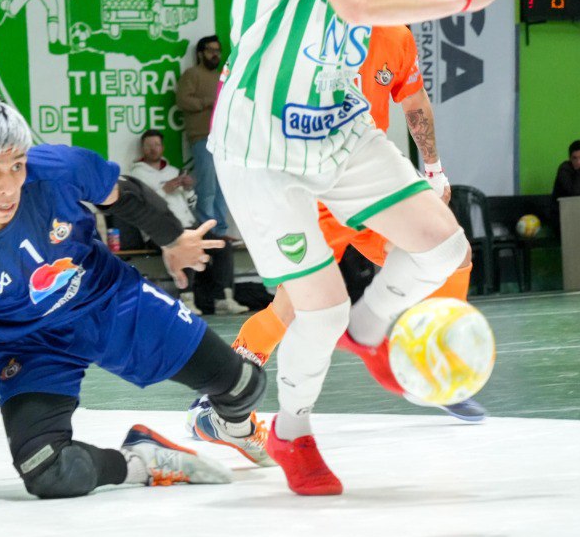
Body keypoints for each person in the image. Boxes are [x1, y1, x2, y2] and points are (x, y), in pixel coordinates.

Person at [208, 0, 520, 495]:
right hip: (262, 143)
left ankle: (373, 330)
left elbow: (345, 25)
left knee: (442, 242)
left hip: (335, 120)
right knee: (318, 305)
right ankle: (293, 433)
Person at [0, 96, 266, 505]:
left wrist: (173, 240)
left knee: (245, 384)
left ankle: (221, 424)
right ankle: (142, 459)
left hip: (108, 300)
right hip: (30, 347)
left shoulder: (56, 168)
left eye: (16, 166)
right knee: (45, 470)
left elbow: (126, 194)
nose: (8, 186)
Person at [190, 24, 486, 443]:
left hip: (369, 186)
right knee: (293, 305)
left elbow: (414, 99)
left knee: (452, 257)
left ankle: (435, 369)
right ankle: (220, 392)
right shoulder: (303, 27)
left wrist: (434, 168)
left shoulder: (395, 35)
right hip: (314, 193)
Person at [127, 129, 248, 316]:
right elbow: (139, 205)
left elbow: (191, 203)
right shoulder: (136, 174)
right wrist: (164, 191)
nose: (153, 149)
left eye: (157, 145)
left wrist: (189, 188)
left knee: (223, 246)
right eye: (149, 146)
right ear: (142, 148)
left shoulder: (173, 171)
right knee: (184, 243)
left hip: (187, 223)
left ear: (162, 147)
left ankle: (224, 299)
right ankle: (187, 299)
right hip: (159, 230)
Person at [176, 36, 232, 240]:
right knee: (207, 188)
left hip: (224, 142)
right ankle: (207, 233)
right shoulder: (192, 75)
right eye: (210, 50)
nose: (215, 54)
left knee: (223, 189)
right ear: (200, 53)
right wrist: (209, 102)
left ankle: (221, 231)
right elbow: (183, 100)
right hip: (202, 138)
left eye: (218, 50)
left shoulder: (222, 77)